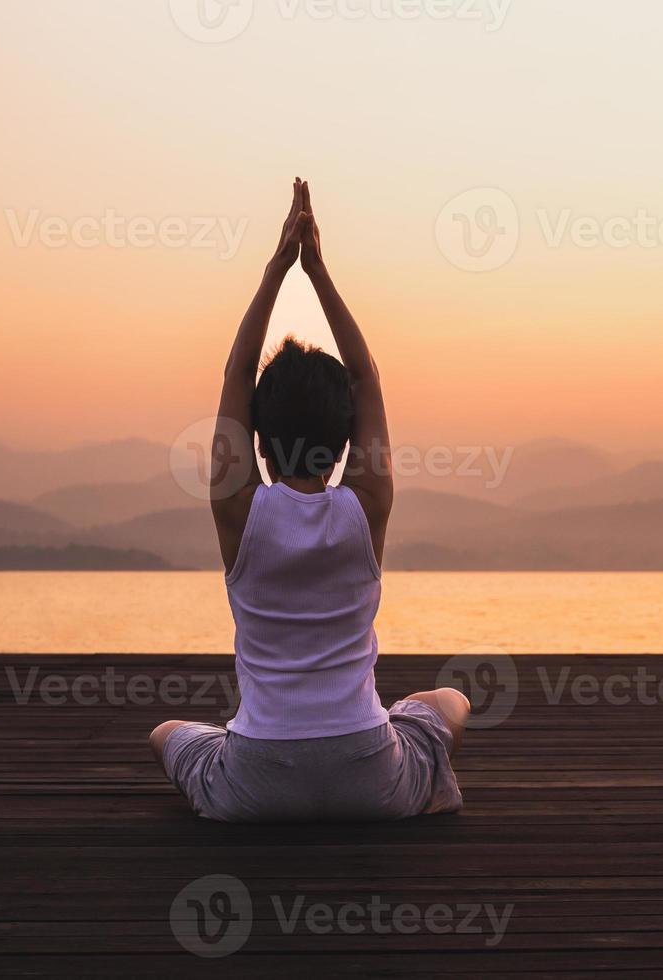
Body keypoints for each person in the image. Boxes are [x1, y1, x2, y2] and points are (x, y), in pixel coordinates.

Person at [148, 179, 471, 822]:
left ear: (259, 442)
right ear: (347, 438)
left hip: (256, 785)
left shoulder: (237, 511)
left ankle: (238, 748)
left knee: (167, 733)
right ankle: (423, 783)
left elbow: (236, 375)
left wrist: (276, 269)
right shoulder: (366, 505)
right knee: (447, 701)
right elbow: (366, 377)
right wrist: (318, 270)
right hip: (369, 776)